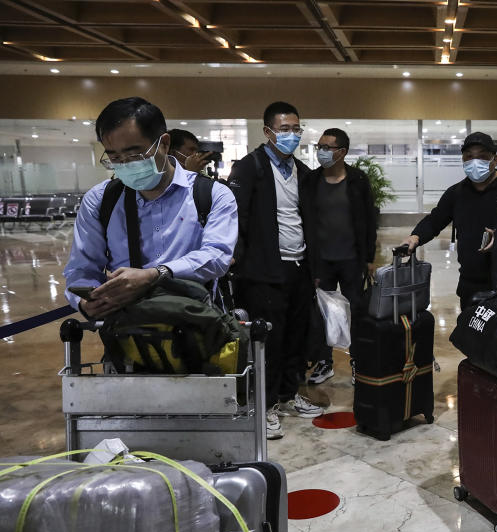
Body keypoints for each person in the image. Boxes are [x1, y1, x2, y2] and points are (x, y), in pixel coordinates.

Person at [64, 97, 236, 320]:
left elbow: (217, 256)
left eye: (135, 155)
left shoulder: (211, 195)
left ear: (164, 144)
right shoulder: (100, 200)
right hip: (128, 329)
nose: (126, 164)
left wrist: (155, 275)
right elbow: (82, 267)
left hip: (198, 324)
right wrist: (84, 301)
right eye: (115, 157)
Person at [227, 101, 324, 439]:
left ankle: (288, 394)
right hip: (263, 271)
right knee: (269, 340)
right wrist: (235, 259)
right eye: (284, 129)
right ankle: (265, 406)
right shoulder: (248, 168)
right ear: (267, 131)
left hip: (298, 267)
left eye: (296, 128)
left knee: (297, 335)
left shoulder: (303, 171)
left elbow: (309, 220)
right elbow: (235, 219)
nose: (292, 135)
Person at [404, 132, 497, 307]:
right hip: (470, 283)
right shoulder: (456, 193)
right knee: (471, 332)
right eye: (469, 156)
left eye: (482, 156)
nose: (475, 162)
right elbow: (435, 220)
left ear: (494, 160)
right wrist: (416, 236)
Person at [301, 127, 378, 385]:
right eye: (319, 147)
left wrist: (369, 258)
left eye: (327, 148)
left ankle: (358, 360)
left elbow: (369, 220)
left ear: (342, 152)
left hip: (351, 260)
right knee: (323, 313)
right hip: (321, 261)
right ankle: (325, 362)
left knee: (355, 311)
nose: (321, 152)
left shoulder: (357, 180)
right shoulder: (310, 182)